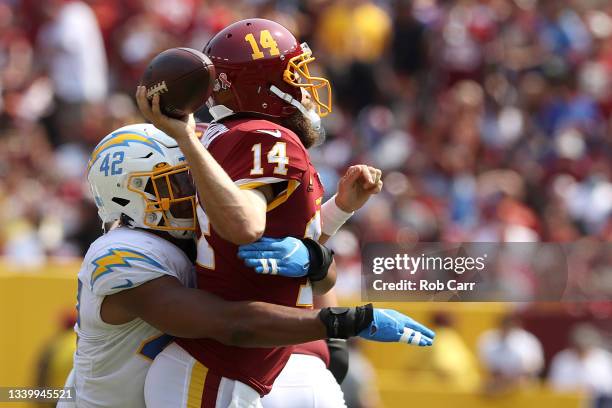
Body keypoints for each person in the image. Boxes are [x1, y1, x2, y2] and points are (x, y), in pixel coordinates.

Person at [136, 18, 435, 408]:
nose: (306, 85)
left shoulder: (232, 137)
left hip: (235, 361)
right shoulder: (265, 135)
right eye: (295, 72)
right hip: (218, 366)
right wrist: (186, 140)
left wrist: (340, 209)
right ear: (261, 85)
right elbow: (245, 225)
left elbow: (278, 247)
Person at [62, 123, 434, 408]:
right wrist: (348, 320)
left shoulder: (193, 234)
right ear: (126, 197)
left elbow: (308, 277)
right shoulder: (121, 253)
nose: (192, 194)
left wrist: (330, 222)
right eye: (173, 185)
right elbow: (231, 324)